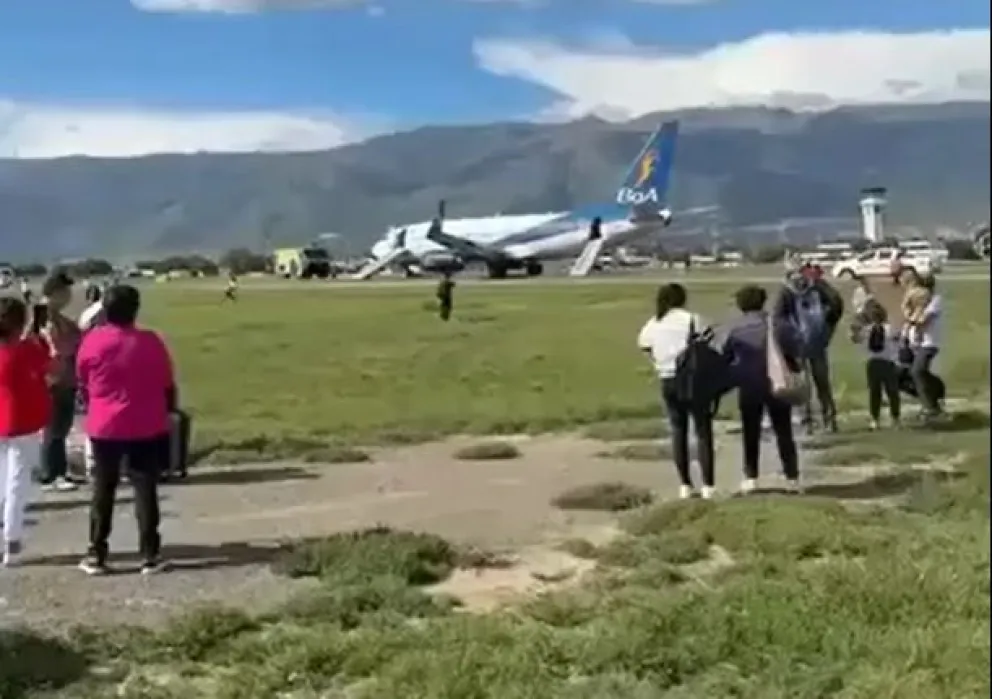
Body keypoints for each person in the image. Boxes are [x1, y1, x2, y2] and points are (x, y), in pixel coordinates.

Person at [76, 284, 175, 575]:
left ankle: (97, 552)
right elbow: (166, 382)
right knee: (145, 487)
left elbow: (83, 380)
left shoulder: (93, 342)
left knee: (103, 488)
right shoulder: (151, 341)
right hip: (145, 422)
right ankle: (150, 553)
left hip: (106, 423)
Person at [637, 283, 716, 499]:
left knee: (678, 432)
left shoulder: (654, 323)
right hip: (692, 380)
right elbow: (708, 339)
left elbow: (644, 345)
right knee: (702, 431)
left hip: (667, 379)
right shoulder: (691, 319)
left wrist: (658, 361)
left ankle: (685, 485)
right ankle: (708, 485)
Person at [724, 285, 804, 494]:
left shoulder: (735, 328)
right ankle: (792, 478)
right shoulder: (778, 324)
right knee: (784, 431)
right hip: (778, 382)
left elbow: (726, 356)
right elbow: (797, 348)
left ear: (741, 305)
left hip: (749, 385)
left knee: (751, 432)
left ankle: (751, 478)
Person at [0, 299, 53, 567]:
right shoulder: (26, 350)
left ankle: (8, 533)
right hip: (22, 422)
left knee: (2, 480)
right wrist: (39, 335)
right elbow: (48, 365)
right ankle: (11, 537)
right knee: (17, 482)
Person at [774, 266, 844, 433]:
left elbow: (778, 320)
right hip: (810, 343)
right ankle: (824, 420)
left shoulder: (789, 292)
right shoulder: (798, 293)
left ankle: (812, 422)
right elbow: (836, 305)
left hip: (805, 344)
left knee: (810, 385)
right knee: (816, 384)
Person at [39, 270, 83, 492]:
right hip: (52, 380)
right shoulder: (43, 316)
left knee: (61, 428)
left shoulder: (60, 318)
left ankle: (60, 470)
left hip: (66, 379)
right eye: (65, 292)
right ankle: (50, 474)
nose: (68, 297)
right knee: (54, 429)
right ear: (55, 292)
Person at [854, 300, 901, 430]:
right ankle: (895, 418)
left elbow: (857, 341)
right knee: (892, 392)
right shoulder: (890, 328)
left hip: (873, 363)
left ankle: (875, 419)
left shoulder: (867, 330)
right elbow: (898, 342)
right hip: (888, 363)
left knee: (875, 393)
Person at [903, 274, 943, 420]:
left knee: (918, 371)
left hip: (929, 343)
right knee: (904, 373)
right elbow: (908, 316)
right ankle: (932, 395)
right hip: (915, 343)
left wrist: (912, 317)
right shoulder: (917, 302)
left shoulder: (935, 301)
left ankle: (930, 406)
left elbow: (923, 320)